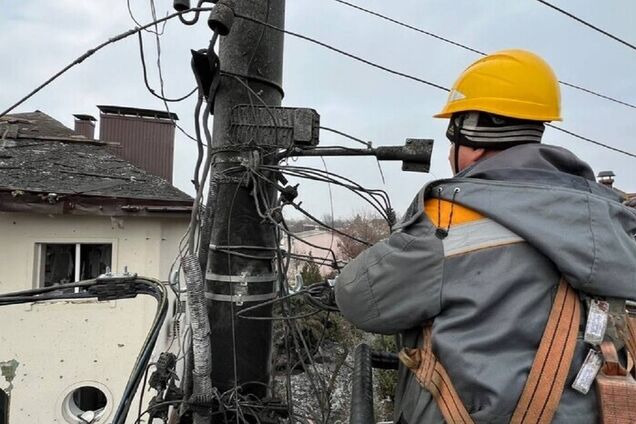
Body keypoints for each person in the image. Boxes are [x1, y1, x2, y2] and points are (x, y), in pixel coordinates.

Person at [335, 49, 636, 424]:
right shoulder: (613, 217)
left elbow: (357, 298)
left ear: (472, 137)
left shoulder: (451, 219)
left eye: (453, 139)